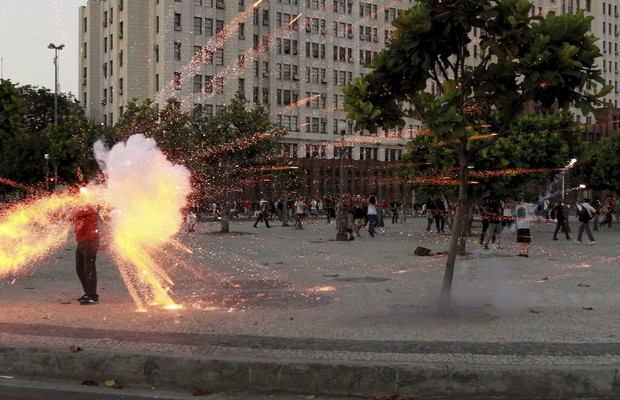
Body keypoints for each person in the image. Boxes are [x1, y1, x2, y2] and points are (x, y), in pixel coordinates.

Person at [73, 203, 100, 305]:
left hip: (90, 240)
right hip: (82, 240)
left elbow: (78, 213)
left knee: (89, 268)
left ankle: (92, 296)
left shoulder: (87, 205)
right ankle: (88, 292)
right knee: (79, 267)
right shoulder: (80, 205)